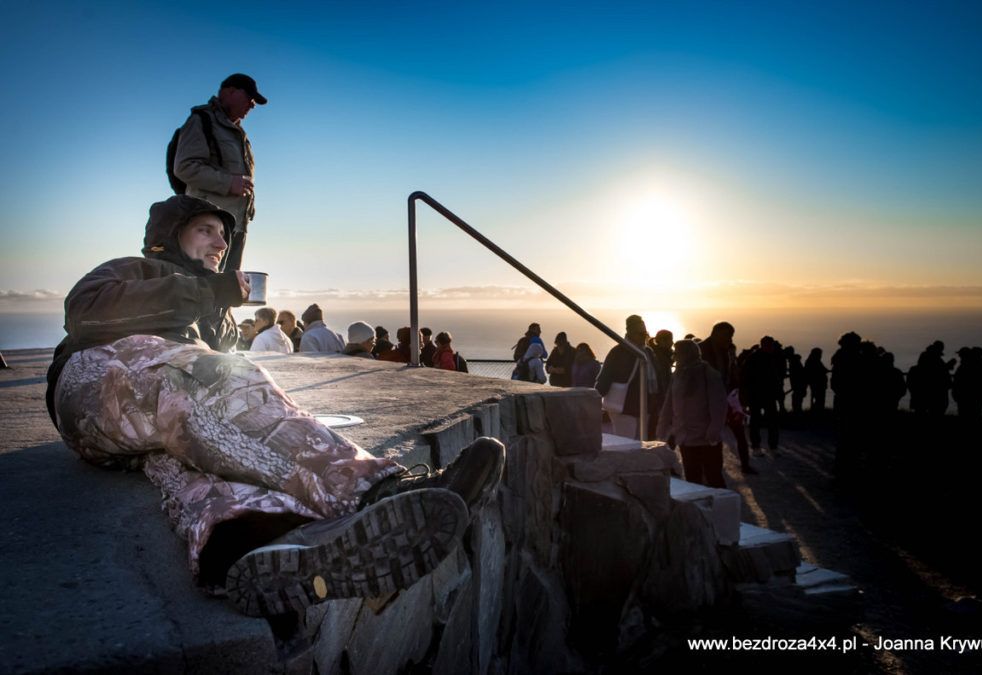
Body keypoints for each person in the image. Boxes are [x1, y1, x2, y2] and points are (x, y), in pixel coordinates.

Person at [43, 194, 505, 617]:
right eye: (206, 229)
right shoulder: (135, 268)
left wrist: (215, 306)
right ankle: (376, 491)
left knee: (199, 462)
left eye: (224, 236)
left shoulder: (207, 306)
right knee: (213, 376)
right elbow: (84, 309)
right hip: (94, 380)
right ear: (169, 236)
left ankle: (257, 544)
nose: (220, 242)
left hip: (134, 428)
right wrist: (211, 292)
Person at [172, 74, 265, 272]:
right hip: (208, 224)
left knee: (228, 287)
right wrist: (228, 183)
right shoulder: (201, 121)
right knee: (203, 285)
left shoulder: (238, 133)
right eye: (249, 99)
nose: (252, 105)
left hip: (237, 225)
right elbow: (184, 167)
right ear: (229, 92)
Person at [657, 340, 727, 488]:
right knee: (692, 479)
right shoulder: (678, 374)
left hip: (707, 439)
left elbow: (718, 406)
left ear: (686, 353)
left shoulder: (709, 374)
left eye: (677, 353)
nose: (674, 357)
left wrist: (713, 433)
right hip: (685, 438)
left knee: (713, 477)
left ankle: (720, 509)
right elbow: (668, 403)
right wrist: (662, 428)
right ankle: (696, 509)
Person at [700, 322, 757, 474]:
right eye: (727, 336)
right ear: (716, 333)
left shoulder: (727, 350)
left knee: (739, 432)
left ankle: (745, 465)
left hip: (728, 399)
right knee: (709, 437)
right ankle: (711, 470)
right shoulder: (701, 349)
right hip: (708, 401)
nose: (730, 339)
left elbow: (732, 375)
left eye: (731, 336)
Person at [596, 315, 655, 439]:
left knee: (641, 446)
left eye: (645, 333)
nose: (644, 336)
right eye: (640, 333)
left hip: (644, 408)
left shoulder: (648, 353)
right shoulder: (618, 352)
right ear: (630, 333)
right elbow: (605, 378)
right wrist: (594, 399)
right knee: (626, 445)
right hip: (623, 408)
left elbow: (659, 380)